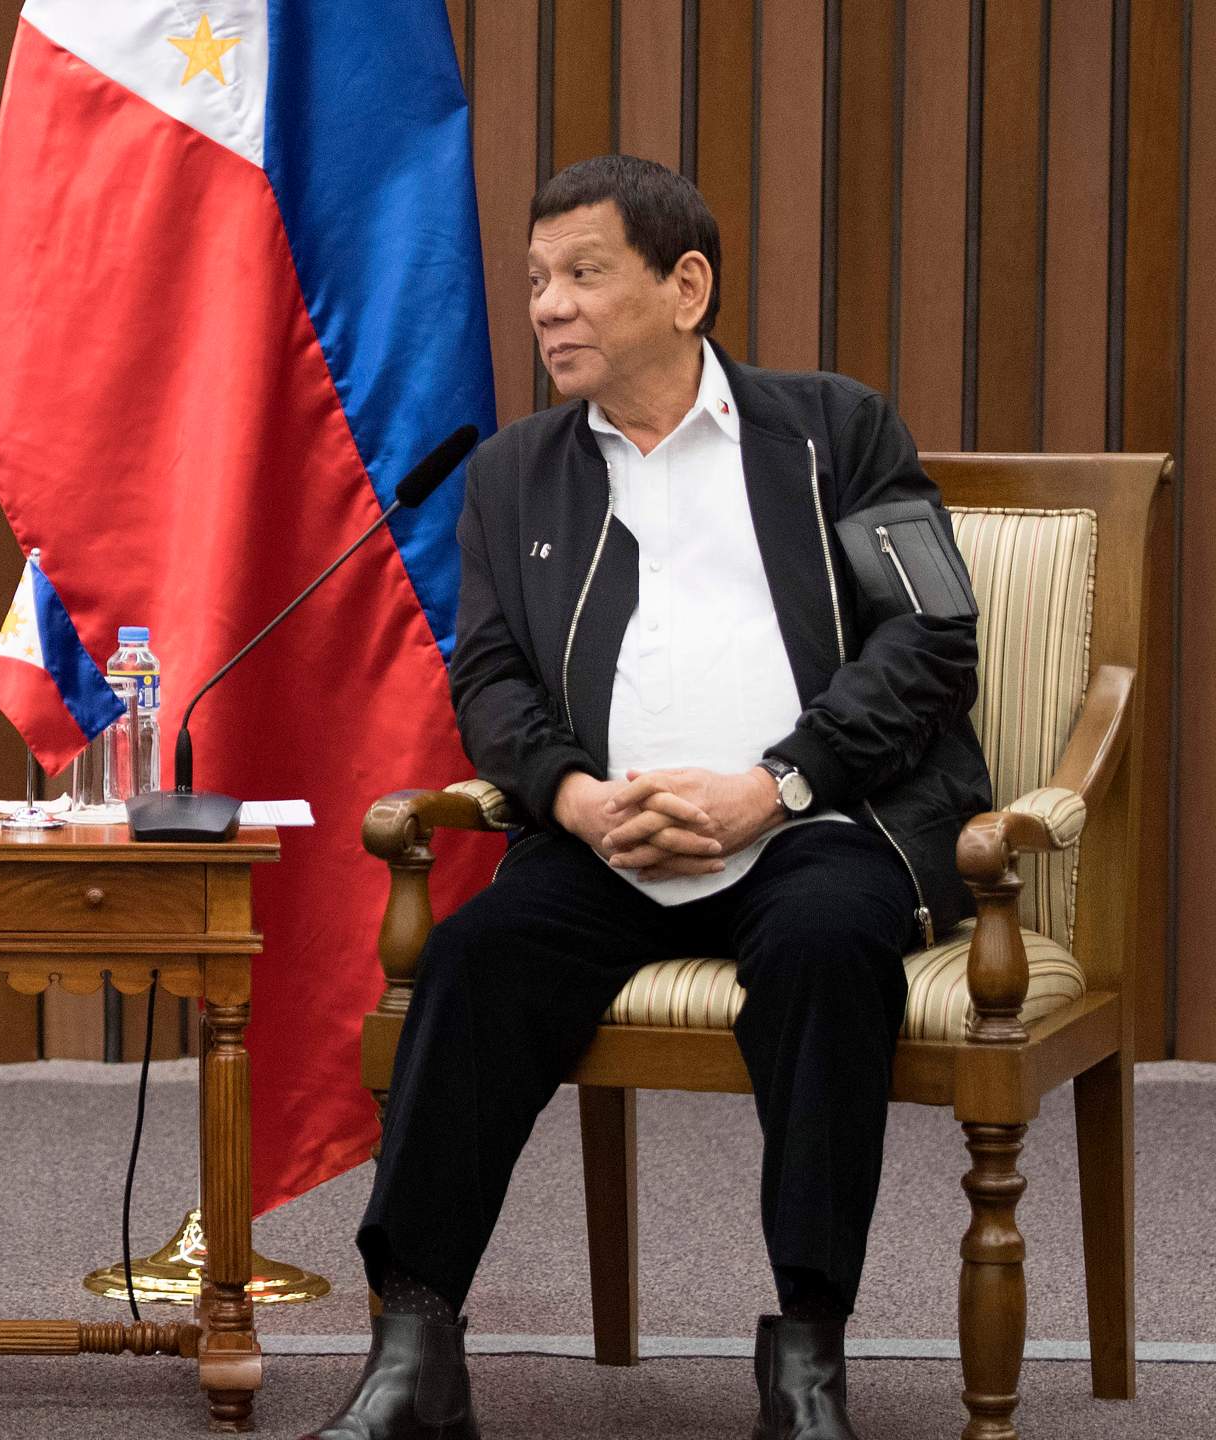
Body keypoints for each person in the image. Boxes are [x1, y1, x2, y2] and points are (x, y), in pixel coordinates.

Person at [303, 155, 989, 1440]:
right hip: (607, 841)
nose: (547, 307)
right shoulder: (514, 472)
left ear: (686, 287)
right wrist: (567, 799)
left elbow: (933, 638)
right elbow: (492, 675)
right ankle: (413, 1349)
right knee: (474, 959)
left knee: (830, 948)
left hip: (813, 826)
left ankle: (805, 1358)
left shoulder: (834, 429)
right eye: (532, 282)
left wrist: (772, 786)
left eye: (581, 274)